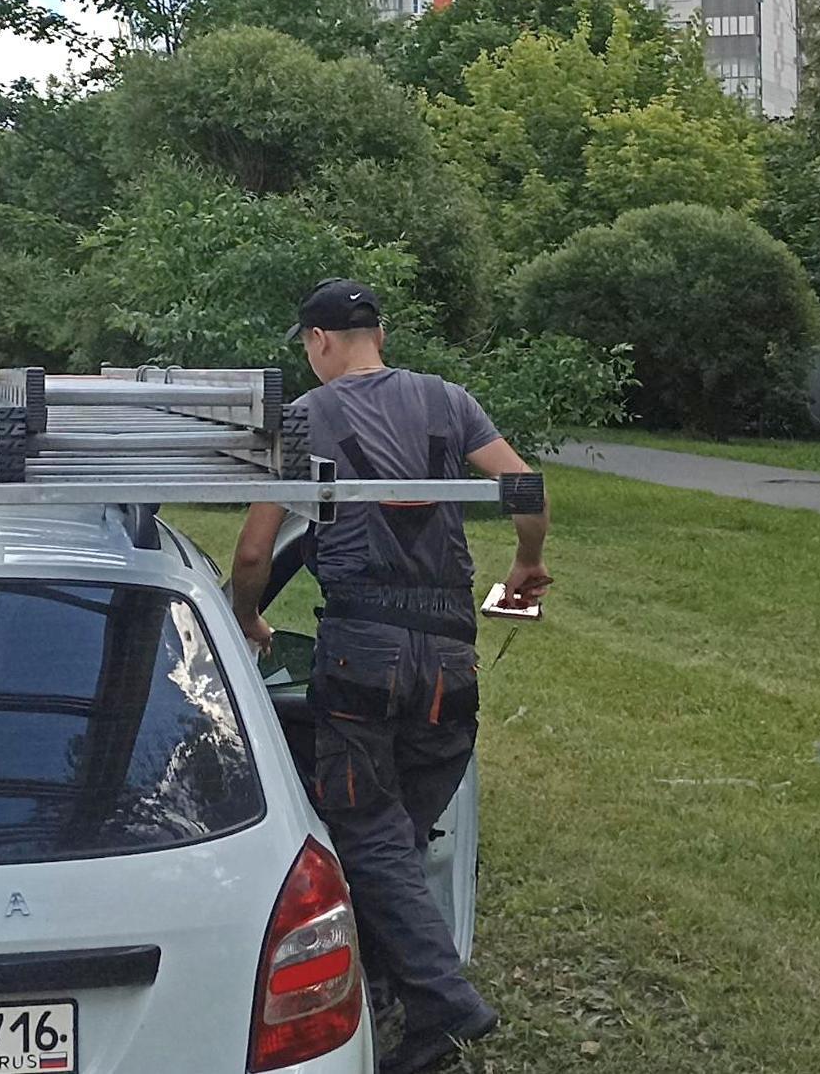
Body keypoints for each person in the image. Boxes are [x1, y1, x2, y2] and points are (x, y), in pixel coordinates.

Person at [229, 279, 547, 1074]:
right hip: (449, 655)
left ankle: (447, 1002)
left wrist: (248, 616)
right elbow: (526, 485)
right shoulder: (448, 400)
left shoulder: (305, 418)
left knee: (367, 832)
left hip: (362, 653)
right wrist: (526, 564)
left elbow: (255, 551)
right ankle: (377, 990)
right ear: (380, 334)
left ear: (319, 341)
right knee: (396, 840)